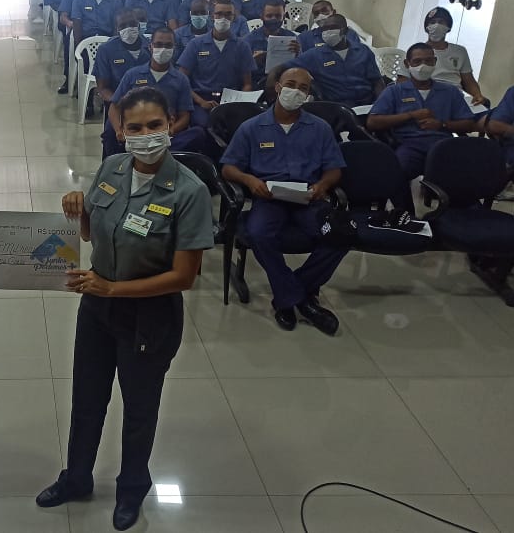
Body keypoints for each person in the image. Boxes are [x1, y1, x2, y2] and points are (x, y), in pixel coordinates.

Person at [36, 86, 212, 532]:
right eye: (135, 127)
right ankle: (75, 478)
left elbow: (184, 277)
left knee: (139, 408)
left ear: (170, 125)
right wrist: (77, 211)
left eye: (155, 125)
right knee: (87, 400)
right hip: (98, 308)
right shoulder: (113, 167)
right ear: (120, 130)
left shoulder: (188, 192)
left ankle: (132, 489)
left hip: (149, 317)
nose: (146, 135)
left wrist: (113, 289)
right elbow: (95, 234)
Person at [220, 67, 347, 335]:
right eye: (291, 84)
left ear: (308, 95)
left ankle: (288, 296)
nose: (296, 91)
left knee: (340, 234)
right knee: (258, 233)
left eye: (303, 88)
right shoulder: (252, 127)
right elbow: (228, 168)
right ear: (277, 87)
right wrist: (250, 181)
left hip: (309, 198)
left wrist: (322, 185)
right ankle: (303, 301)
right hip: (269, 197)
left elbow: (334, 168)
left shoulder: (319, 128)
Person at [367, 43, 478, 213]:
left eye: (428, 61)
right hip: (410, 145)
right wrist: (410, 115)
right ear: (407, 64)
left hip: (443, 146)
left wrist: (442, 124)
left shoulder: (449, 92)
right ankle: (406, 216)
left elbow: (469, 124)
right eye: (417, 61)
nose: (423, 66)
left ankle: (455, 219)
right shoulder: (395, 92)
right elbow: (373, 122)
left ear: (435, 62)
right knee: (395, 172)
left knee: (465, 174)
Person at [111, 28, 206, 155]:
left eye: (168, 45)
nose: (163, 49)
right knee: (109, 135)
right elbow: (114, 107)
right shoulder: (132, 74)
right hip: (137, 132)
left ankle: (159, 153)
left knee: (198, 134)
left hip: (165, 135)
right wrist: (119, 130)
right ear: (150, 47)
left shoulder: (181, 79)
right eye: (158, 44)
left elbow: (185, 116)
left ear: (174, 48)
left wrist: (168, 131)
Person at [285, 14, 384, 107]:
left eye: (332, 28)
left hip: (367, 105)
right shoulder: (315, 55)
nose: (328, 32)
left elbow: (377, 81)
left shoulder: (363, 51)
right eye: (325, 29)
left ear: (345, 31)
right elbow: (282, 68)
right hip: (337, 109)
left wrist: (380, 105)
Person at [177, 0, 255, 117]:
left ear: (234, 18)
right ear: (212, 16)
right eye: (219, 14)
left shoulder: (242, 46)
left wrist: (239, 104)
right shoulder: (196, 44)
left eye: (228, 14)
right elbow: (182, 79)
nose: (223, 18)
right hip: (202, 100)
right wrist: (200, 102)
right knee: (203, 127)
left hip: (231, 101)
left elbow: (247, 83)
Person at [94, 11, 151, 153]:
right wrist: (118, 101)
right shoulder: (106, 50)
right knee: (110, 134)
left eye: (132, 24)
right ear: (117, 29)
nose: (129, 29)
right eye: (123, 26)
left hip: (150, 104)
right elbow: (102, 88)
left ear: (139, 25)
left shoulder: (151, 47)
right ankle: (110, 170)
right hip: (118, 105)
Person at [422, 7, 486, 105]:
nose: (437, 25)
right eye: (433, 22)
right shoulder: (418, 51)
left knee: (486, 115)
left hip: (457, 97)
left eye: (441, 22)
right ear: (427, 27)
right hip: (431, 95)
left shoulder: (460, 51)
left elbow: (468, 80)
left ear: (448, 27)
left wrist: (477, 95)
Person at [247, 1, 298, 88]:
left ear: (284, 17)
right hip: (258, 83)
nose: (273, 19)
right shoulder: (248, 40)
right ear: (262, 16)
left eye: (278, 16)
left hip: (285, 82)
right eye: (269, 16)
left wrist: (298, 53)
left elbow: (299, 66)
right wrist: (253, 61)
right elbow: (240, 71)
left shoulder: (292, 37)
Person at [296, 0, 361, 53]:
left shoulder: (350, 34)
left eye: (324, 11)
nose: (321, 16)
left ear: (334, 12)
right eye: (316, 14)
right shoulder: (305, 38)